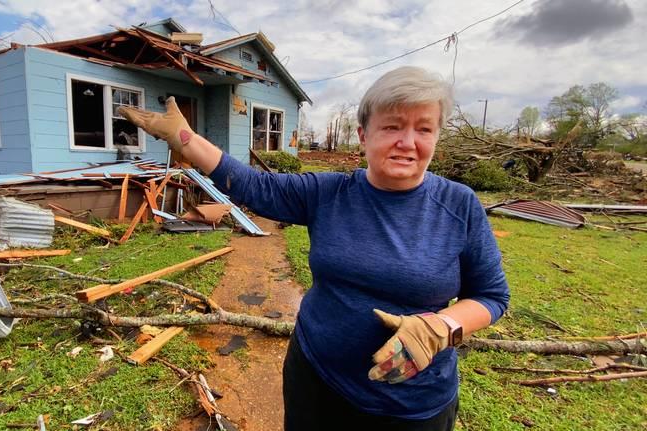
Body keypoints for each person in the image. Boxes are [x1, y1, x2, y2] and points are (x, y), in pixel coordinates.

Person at [119, 65, 510, 431]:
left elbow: (491, 295)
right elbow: (256, 187)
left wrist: (440, 327)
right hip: (316, 379)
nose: (407, 142)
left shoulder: (458, 205)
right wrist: (185, 139)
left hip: (412, 405)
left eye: (424, 129)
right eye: (392, 126)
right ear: (363, 134)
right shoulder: (329, 193)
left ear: (436, 137)